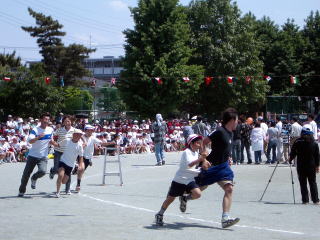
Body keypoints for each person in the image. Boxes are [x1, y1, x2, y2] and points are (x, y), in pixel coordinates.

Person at [183, 108, 240, 229]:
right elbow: (203, 142)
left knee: (229, 188)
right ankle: (185, 197)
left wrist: (228, 157)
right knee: (199, 189)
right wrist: (203, 159)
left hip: (223, 167)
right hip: (211, 165)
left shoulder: (231, 133)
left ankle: (225, 218)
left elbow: (225, 149)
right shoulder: (219, 131)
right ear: (232, 120)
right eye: (237, 120)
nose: (238, 122)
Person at [155, 134, 208, 226]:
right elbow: (189, 165)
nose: (200, 145)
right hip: (180, 180)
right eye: (198, 143)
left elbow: (203, 164)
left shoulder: (196, 153)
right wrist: (200, 159)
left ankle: (184, 198)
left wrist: (206, 163)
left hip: (190, 179)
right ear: (191, 143)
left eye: (200, 143)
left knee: (198, 194)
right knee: (170, 199)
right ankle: (160, 214)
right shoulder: (186, 152)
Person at [18, 113, 54, 197]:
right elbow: (30, 141)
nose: (47, 121)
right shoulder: (35, 130)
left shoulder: (50, 129)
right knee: (26, 175)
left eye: (48, 119)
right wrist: (38, 137)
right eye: (45, 119)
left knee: (43, 171)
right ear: (41, 120)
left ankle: (34, 178)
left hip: (43, 156)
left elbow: (50, 140)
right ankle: (22, 190)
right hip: (33, 155)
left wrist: (56, 144)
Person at [74, 125, 115, 192]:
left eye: (91, 130)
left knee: (82, 171)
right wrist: (82, 146)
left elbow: (101, 143)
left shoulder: (93, 138)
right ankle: (78, 185)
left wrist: (110, 143)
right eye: (89, 130)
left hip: (88, 157)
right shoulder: (81, 137)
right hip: (81, 156)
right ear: (85, 130)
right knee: (81, 169)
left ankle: (78, 176)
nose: (90, 132)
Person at [289, 125, 319, 204]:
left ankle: (305, 200)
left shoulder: (297, 142)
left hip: (301, 165)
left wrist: (290, 159)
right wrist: (317, 166)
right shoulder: (314, 143)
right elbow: (317, 156)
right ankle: (315, 200)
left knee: (303, 183)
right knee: (312, 182)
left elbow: (293, 152)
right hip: (311, 165)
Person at [53, 129, 84, 198]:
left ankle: (53, 169)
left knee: (64, 181)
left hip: (70, 165)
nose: (78, 136)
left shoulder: (80, 145)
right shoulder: (67, 140)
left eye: (80, 135)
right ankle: (57, 192)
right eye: (77, 134)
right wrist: (52, 142)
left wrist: (80, 165)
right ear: (73, 135)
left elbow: (81, 156)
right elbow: (58, 144)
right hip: (63, 161)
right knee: (60, 175)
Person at [49, 115, 75, 182]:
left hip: (68, 152)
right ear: (63, 123)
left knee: (68, 169)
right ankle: (52, 171)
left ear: (71, 122)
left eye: (68, 121)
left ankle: (67, 189)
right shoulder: (59, 130)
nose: (67, 123)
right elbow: (52, 136)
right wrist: (54, 142)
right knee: (56, 168)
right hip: (58, 151)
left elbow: (81, 136)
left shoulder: (74, 130)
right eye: (65, 121)